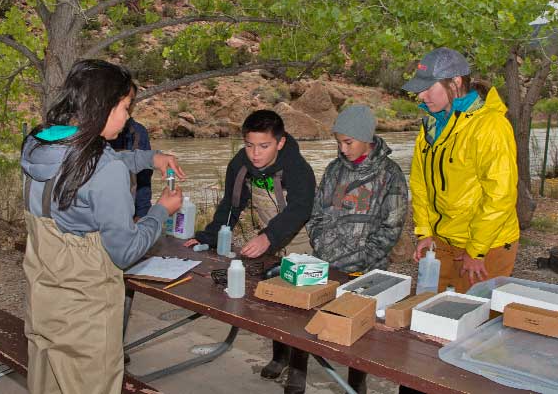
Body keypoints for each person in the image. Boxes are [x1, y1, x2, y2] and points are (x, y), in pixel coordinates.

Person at [20, 59, 184, 394]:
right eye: (125, 107)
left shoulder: (38, 144)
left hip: (44, 297)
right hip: (85, 310)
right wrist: (160, 211)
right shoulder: (104, 170)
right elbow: (125, 252)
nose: (127, 117)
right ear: (103, 105)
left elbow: (82, 165)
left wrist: (149, 158)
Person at [185, 109, 316, 394]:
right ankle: (279, 356)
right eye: (249, 144)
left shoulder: (297, 167)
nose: (255, 154)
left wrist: (269, 237)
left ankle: (297, 367)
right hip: (268, 235)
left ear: (279, 143)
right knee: (272, 300)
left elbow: (300, 208)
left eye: (264, 146)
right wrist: (206, 236)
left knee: (296, 305)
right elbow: (231, 205)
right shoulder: (241, 164)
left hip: (301, 238)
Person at [305, 104, 408, 394]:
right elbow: (316, 215)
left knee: (360, 340)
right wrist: (322, 246)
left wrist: (363, 261)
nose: (343, 148)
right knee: (309, 328)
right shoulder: (334, 170)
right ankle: (294, 380)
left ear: (367, 138)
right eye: (339, 142)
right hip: (327, 265)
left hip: (366, 272)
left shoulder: (390, 174)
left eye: (348, 142)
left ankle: (356, 384)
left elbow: (391, 227)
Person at [404, 47, 519, 295]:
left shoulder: (491, 126)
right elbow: (419, 184)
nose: (421, 95)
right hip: (442, 240)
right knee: (430, 313)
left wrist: (476, 249)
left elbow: (500, 195)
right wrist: (424, 231)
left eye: (428, 87)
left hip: (488, 244)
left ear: (455, 82)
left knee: (475, 321)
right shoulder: (431, 126)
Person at [108, 84, 153, 219]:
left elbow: (143, 179)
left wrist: (141, 214)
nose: (130, 108)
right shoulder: (89, 136)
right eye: (125, 104)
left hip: (127, 214)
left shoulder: (138, 132)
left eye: (132, 102)